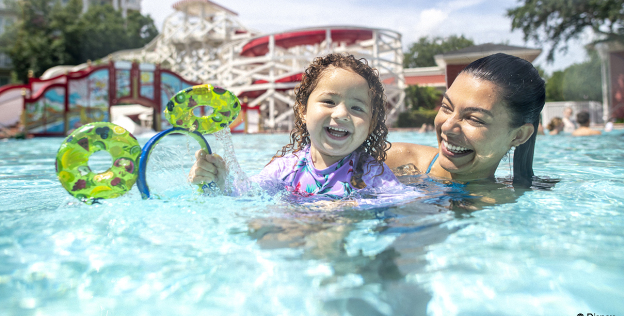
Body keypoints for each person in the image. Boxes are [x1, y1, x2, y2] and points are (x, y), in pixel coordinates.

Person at [189, 53, 401, 198]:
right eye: (329, 101)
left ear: (371, 124)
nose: (342, 114)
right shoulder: (286, 169)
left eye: (357, 108)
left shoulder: (372, 174)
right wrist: (218, 182)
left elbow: (403, 204)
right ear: (303, 110)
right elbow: (246, 194)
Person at [385, 53, 545, 185]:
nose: (447, 127)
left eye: (474, 119)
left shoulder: (507, 210)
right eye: (446, 107)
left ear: (519, 135)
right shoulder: (390, 160)